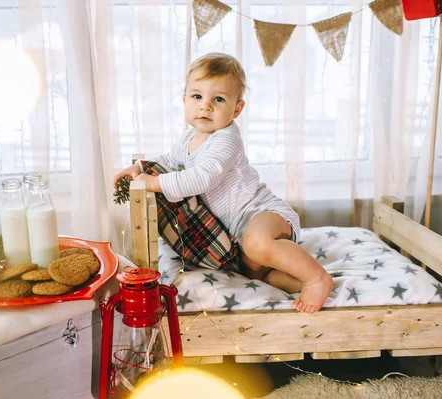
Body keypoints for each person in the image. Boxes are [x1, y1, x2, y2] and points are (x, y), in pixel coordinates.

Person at [113, 52, 333, 314]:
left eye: (218, 99)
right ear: (185, 101)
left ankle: (317, 278)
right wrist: (138, 167)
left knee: (257, 243)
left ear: (236, 109)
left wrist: (155, 184)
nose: (205, 106)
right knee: (259, 275)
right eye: (197, 97)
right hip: (237, 233)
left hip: (261, 213)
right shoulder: (189, 138)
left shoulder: (226, 140)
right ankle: (299, 280)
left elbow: (202, 177)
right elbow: (170, 160)